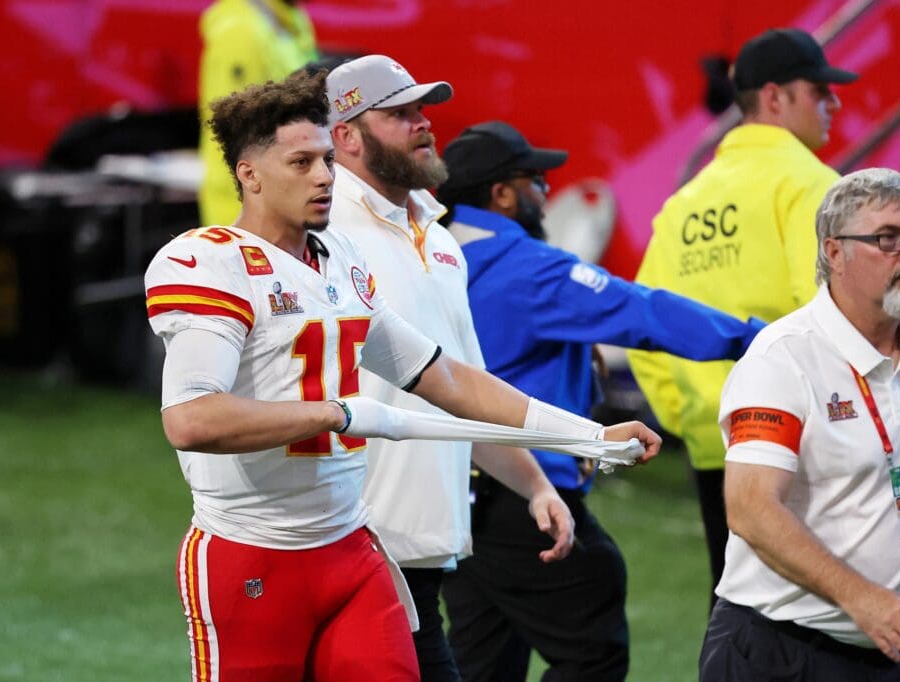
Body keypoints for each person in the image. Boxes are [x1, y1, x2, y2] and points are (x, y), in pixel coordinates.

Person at [144, 70, 660, 681]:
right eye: (301, 161)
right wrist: (333, 413)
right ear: (249, 174)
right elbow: (191, 418)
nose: (323, 176)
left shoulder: (341, 259)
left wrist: (587, 437)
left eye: (327, 160)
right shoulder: (211, 262)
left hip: (349, 548)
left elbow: (448, 379)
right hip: (252, 550)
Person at [434, 120, 767, 682]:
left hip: (450, 493)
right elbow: (643, 312)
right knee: (593, 644)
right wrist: (755, 337)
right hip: (527, 492)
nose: (546, 193)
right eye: (536, 179)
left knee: (482, 662)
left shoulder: (429, 259)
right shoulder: (529, 268)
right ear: (503, 193)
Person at [324, 55, 575, 682]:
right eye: (400, 113)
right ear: (345, 136)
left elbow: (462, 388)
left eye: (422, 110)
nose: (422, 124)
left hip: (421, 553)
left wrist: (535, 485)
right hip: (352, 549)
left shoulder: (437, 238)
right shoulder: (323, 233)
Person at [699, 168, 900, 681]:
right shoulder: (783, 357)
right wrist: (861, 599)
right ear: (834, 252)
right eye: (886, 239)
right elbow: (751, 509)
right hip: (782, 652)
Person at [627, 27, 858, 602]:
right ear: (776, 97)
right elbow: (845, 311)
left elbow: (643, 323)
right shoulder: (813, 185)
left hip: (716, 441)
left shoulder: (682, 203)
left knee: (736, 612)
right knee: (828, 616)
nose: (834, 102)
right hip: (809, 446)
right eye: (819, 90)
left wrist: (693, 416)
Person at [197, 0, 319, 226]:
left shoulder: (292, 21)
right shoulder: (240, 31)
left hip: (284, 194)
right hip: (242, 200)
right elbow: (239, 127)